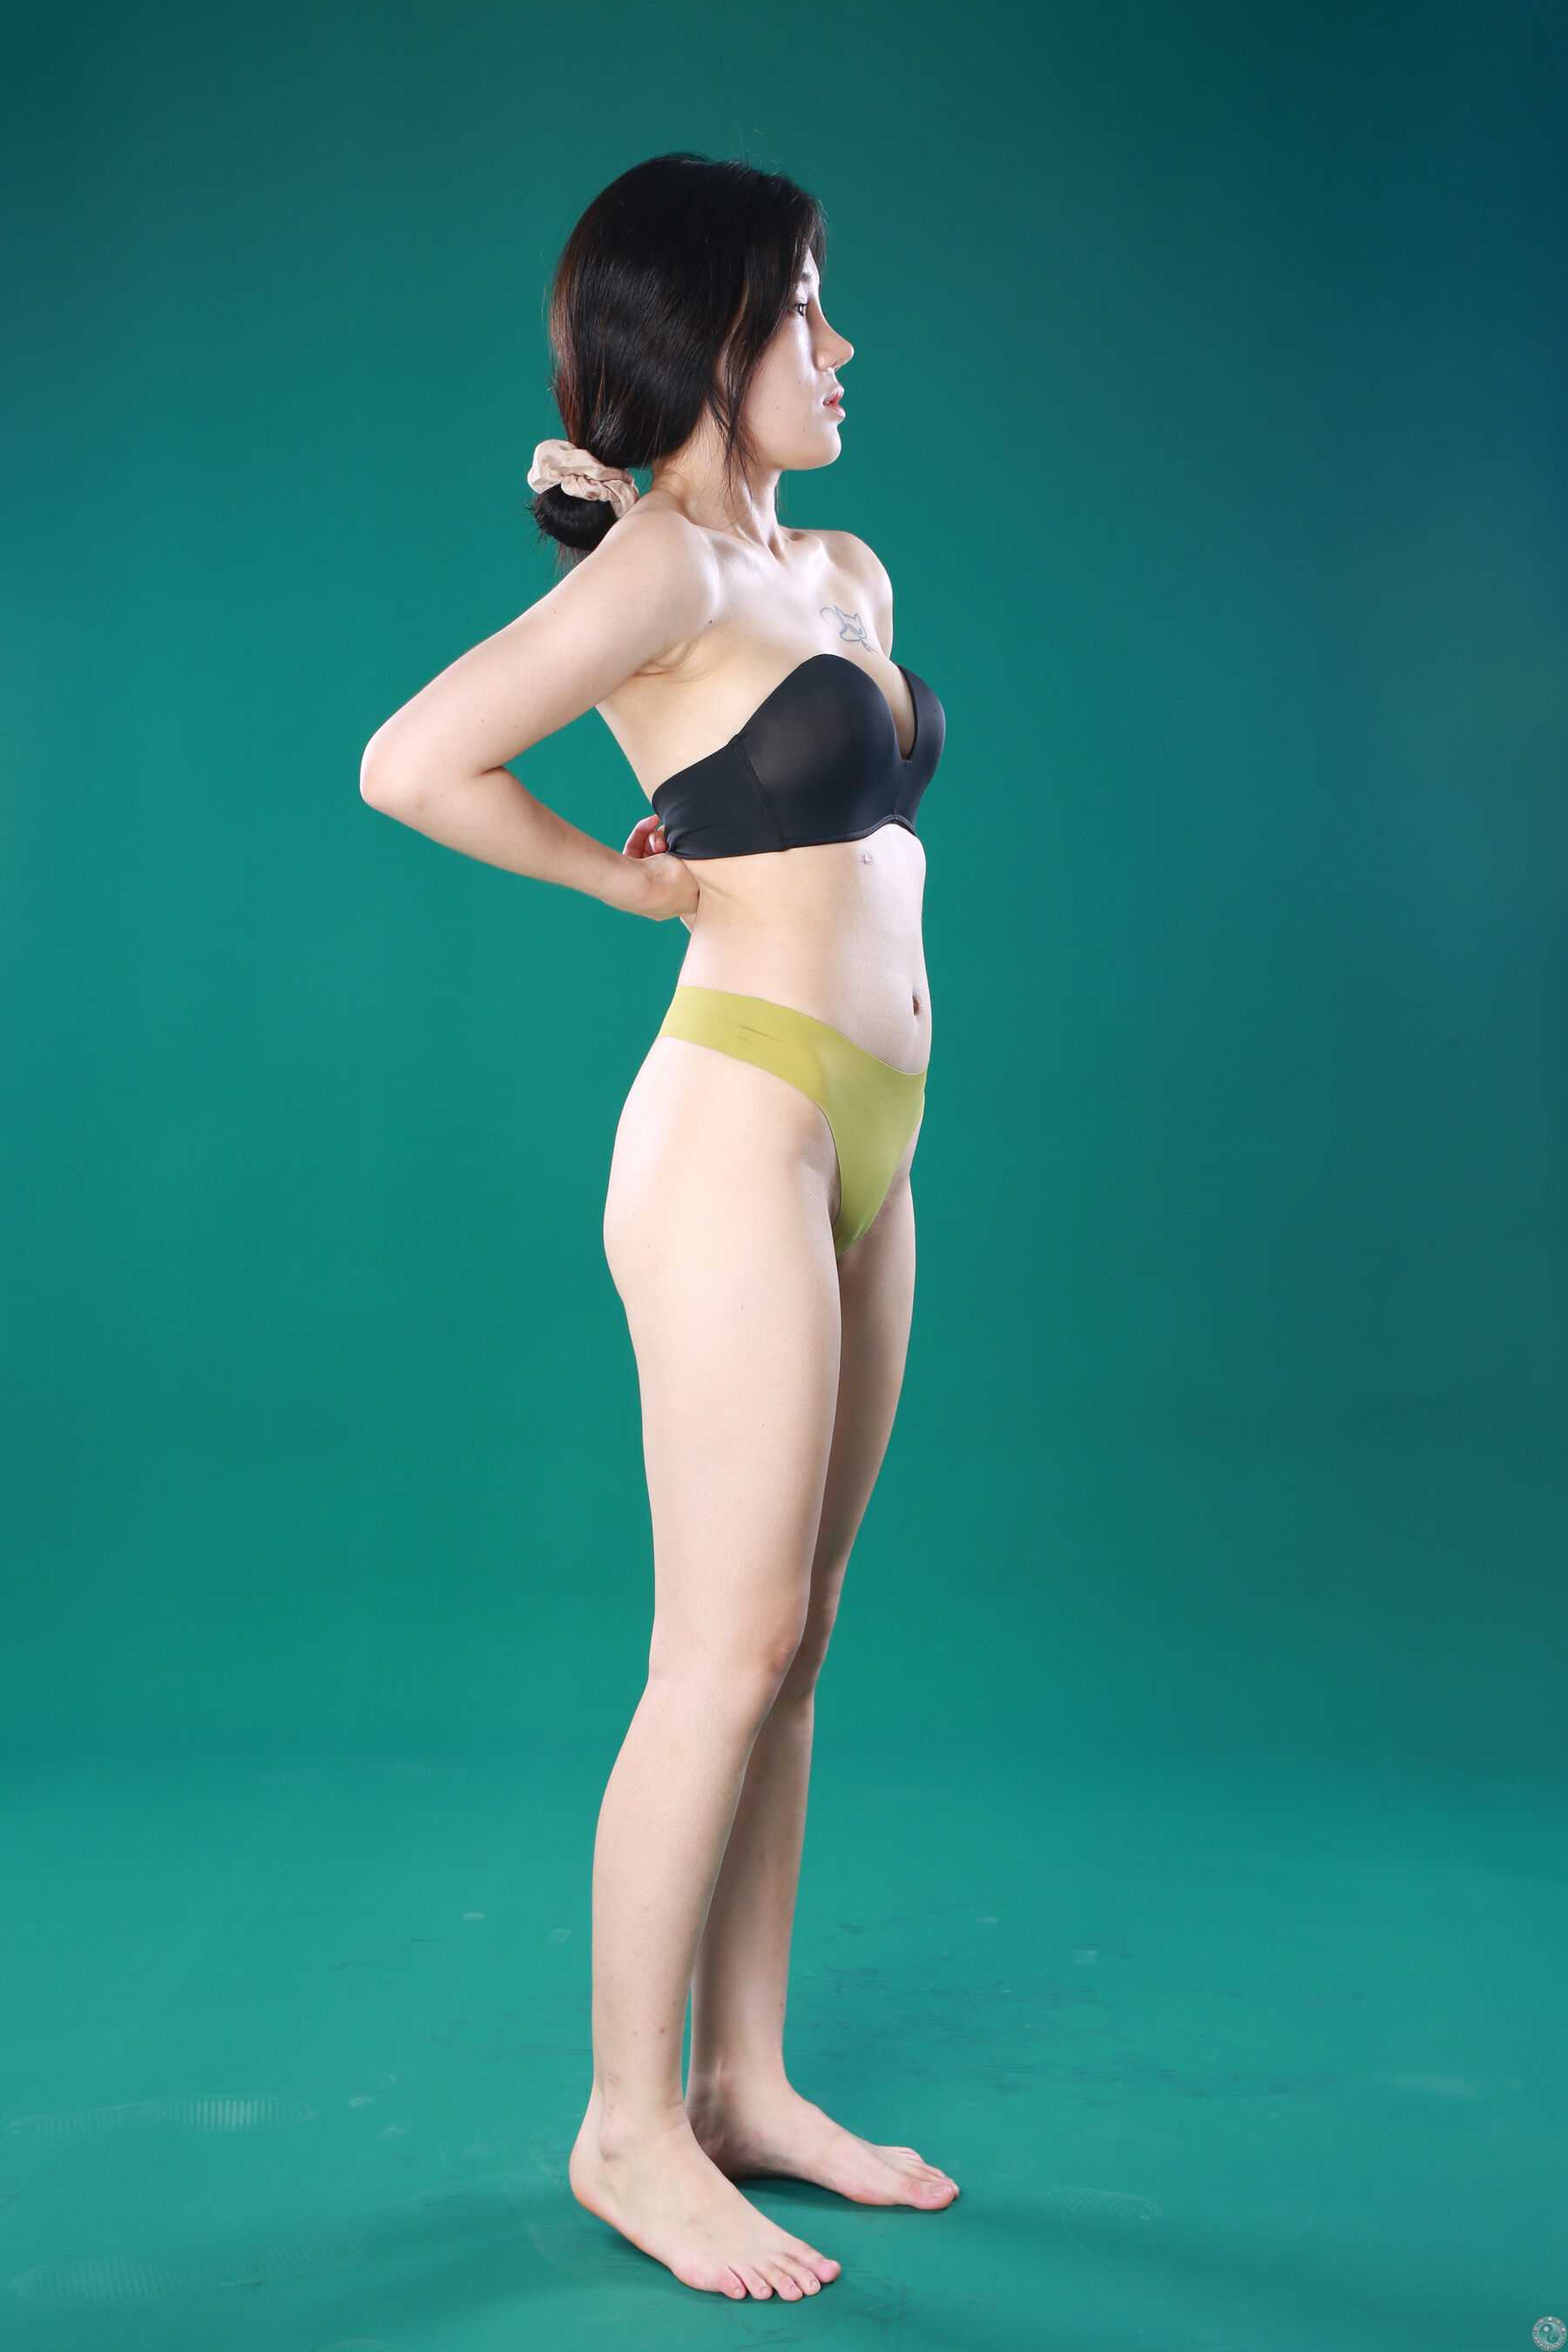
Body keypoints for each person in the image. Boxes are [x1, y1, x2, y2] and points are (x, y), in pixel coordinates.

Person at [359, 151, 958, 2303]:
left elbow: (771, 737)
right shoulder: (665, 574)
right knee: (715, 1652)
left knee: (800, 1639)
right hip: (735, 1132)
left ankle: (746, 2083)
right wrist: (620, 885)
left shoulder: (840, 571)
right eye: (805, 304)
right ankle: (626, 2126)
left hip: (872, 1137)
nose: (842, 343)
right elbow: (412, 762)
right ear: (709, 330)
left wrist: (624, 524)